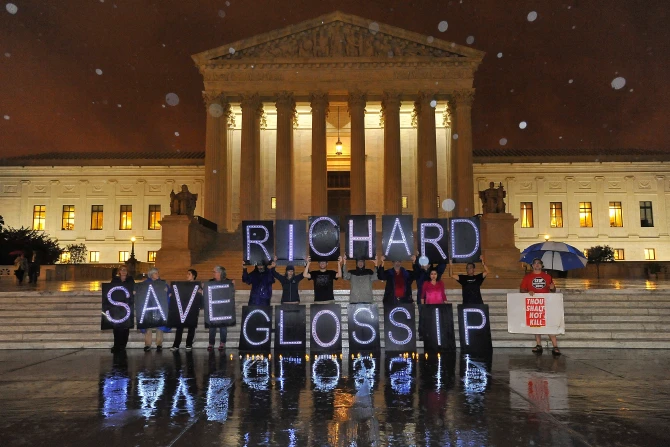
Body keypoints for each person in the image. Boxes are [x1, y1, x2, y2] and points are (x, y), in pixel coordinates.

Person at [520, 258, 560, 356]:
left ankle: (555, 346)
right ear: (532, 266)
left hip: (546, 303)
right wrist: (528, 292)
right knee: (536, 323)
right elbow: (521, 290)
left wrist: (552, 288)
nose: (537, 265)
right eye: (535, 263)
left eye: (539, 263)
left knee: (549, 323)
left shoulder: (547, 277)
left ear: (542, 265)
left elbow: (553, 290)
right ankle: (538, 345)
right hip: (534, 303)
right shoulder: (527, 277)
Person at [413, 255, 446, 339]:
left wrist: (439, 253)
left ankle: (435, 333)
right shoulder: (419, 272)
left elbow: (443, 264)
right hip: (422, 298)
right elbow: (415, 266)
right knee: (423, 316)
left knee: (436, 316)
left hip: (435, 299)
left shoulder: (434, 272)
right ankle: (422, 334)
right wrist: (416, 258)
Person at [141, 267, 171, 352]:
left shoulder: (162, 283)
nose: (158, 274)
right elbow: (140, 292)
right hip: (149, 306)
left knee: (160, 325)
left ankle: (159, 344)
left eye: (158, 273)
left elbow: (169, 293)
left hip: (159, 307)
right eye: (156, 273)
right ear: (151, 275)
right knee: (148, 325)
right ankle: (147, 344)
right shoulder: (145, 284)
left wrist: (168, 292)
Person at [170, 269, 200, 352]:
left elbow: (200, 297)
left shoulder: (197, 286)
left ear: (193, 276)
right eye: (187, 274)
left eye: (189, 274)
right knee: (179, 327)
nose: (187, 275)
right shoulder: (183, 285)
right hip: (182, 310)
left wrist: (200, 293)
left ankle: (189, 344)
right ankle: (176, 345)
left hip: (192, 310)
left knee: (191, 327)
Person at [207, 265, 233, 352]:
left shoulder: (228, 282)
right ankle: (211, 343)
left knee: (223, 327)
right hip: (213, 308)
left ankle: (222, 343)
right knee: (212, 327)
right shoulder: (210, 282)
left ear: (220, 273)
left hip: (224, 308)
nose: (213, 273)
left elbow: (230, 294)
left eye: (214, 272)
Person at [110, 266, 134, 353]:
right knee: (116, 327)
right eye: (122, 270)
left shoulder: (130, 280)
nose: (123, 271)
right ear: (119, 271)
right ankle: (116, 345)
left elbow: (133, 290)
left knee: (125, 327)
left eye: (125, 270)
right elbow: (110, 290)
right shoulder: (115, 280)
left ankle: (123, 345)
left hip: (127, 306)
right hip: (116, 306)